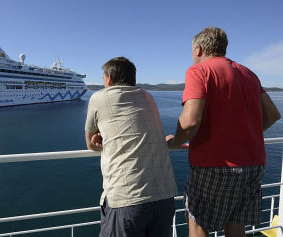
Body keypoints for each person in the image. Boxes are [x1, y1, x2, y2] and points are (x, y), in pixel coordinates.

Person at [166, 26, 281, 237]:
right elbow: (273, 114)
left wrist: (174, 142)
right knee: (236, 225)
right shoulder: (249, 74)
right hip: (253, 164)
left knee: (197, 223)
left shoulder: (199, 71)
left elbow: (190, 121)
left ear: (198, 49)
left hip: (214, 166)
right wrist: (246, 133)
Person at [85, 57, 178, 237]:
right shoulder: (148, 96)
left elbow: (90, 144)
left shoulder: (99, 97)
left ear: (109, 79)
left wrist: (102, 139)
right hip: (164, 198)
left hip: (127, 198)